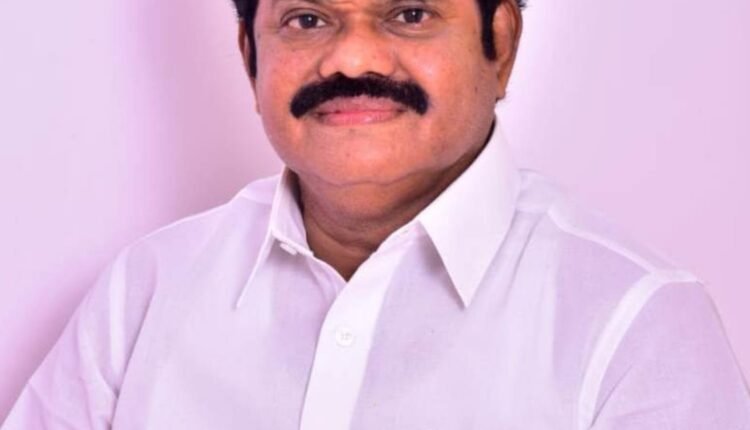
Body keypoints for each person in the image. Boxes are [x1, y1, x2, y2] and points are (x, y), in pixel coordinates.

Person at [3, 0, 749, 428]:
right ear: (249, 54)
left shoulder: (635, 324)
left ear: (501, 43)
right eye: (307, 19)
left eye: (408, 13)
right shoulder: (146, 291)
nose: (352, 59)